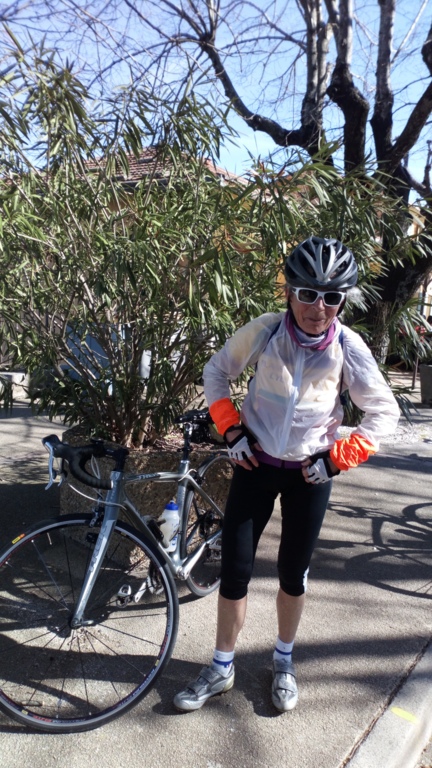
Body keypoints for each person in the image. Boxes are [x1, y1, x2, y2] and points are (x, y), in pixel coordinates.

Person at [173, 236, 399, 713]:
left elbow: (384, 412)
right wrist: (231, 430)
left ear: (343, 300)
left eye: (332, 297)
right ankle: (221, 667)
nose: (319, 308)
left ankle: (283, 661)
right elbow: (217, 373)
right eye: (308, 294)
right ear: (289, 293)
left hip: (309, 476)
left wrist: (338, 458)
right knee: (234, 572)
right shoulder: (266, 330)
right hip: (255, 467)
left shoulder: (347, 346)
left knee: (293, 575)